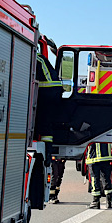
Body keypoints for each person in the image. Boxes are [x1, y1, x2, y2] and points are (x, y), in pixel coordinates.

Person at [36, 49, 65, 203]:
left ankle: (46, 155)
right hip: (51, 92)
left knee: (43, 126)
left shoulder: (35, 57)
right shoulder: (41, 58)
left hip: (47, 92)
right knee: (45, 128)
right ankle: (47, 155)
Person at [85, 142, 112, 209]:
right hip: (106, 157)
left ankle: (96, 201)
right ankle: (109, 202)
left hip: (94, 158)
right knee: (107, 179)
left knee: (94, 179)